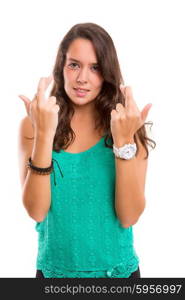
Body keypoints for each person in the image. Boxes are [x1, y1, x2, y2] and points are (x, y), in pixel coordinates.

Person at [18, 22, 156, 278]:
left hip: (118, 276)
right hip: (54, 275)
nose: (82, 78)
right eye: (74, 64)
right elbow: (36, 211)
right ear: (61, 66)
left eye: (95, 67)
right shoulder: (34, 123)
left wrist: (123, 142)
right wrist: (45, 134)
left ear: (108, 73)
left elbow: (129, 217)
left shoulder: (126, 123)